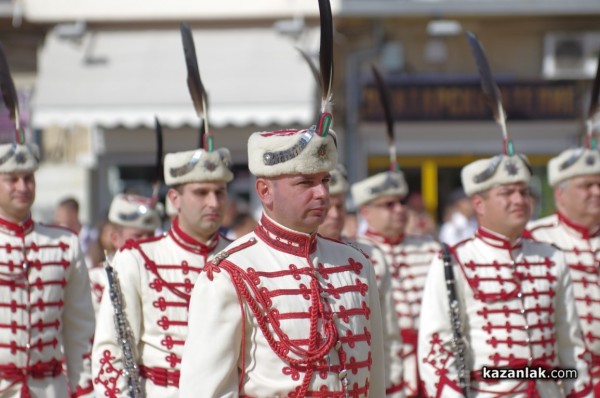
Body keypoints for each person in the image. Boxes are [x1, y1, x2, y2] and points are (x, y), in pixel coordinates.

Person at [180, 120, 387, 396]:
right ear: (265, 191)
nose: (322, 193)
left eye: (324, 180)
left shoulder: (356, 264)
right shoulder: (227, 273)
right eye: (305, 182)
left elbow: (375, 380)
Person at [418, 152, 592, 396]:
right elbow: (436, 347)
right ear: (479, 204)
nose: (519, 200)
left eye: (523, 192)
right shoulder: (454, 261)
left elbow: (570, 344)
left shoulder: (552, 257)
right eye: (506, 193)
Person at [92, 144, 234, 396]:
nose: (213, 202)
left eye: (220, 192)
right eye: (201, 192)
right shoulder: (136, 258)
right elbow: (111, 352)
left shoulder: (241, 256)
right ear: (174, 199)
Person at [0, 141, 95, 396]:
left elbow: (80, 329)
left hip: (49, 389)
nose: (23, 187)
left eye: (28, 178)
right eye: (12, 179)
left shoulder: (64, 243)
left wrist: (83, 390)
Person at [318, 164, 404, 396]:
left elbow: (387, 332)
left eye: (341, 205)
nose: (335, 214)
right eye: (330, 205)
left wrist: (393, 385)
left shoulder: (370, 255)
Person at [352, 169, 440, 397]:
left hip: (432, 363)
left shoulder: (431, 248)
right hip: (386, 367)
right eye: (389, 205)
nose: (400, 210)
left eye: (401, 202)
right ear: (366, 212)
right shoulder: (354, 252)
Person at [526, 146, 600, 392]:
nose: (596, 192)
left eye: (598, 184)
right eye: (586, 186)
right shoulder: (536, 239)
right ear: (560, 194)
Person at [87, 193, 161, 317]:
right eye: (137, 236)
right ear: (115, 238)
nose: (145, 242)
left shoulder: (163, 275)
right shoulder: (95, 279)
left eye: (150, 235)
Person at [54, 197, 97, 268]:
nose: (57, 218)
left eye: (61, 214)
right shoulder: (60, 237)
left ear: (73, 213)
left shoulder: (92, 235)